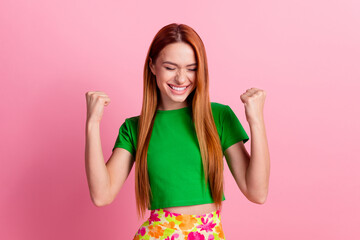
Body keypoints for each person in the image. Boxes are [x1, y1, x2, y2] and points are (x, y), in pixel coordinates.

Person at [85, 23, 270, 240]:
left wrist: (256, 120)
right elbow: (101, 195)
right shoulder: (135, 128)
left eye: (191, 68)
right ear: (153, 66)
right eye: (171, 68)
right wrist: (92, 123)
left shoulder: (218, 117)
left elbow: (257, 192)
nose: (181, 79)